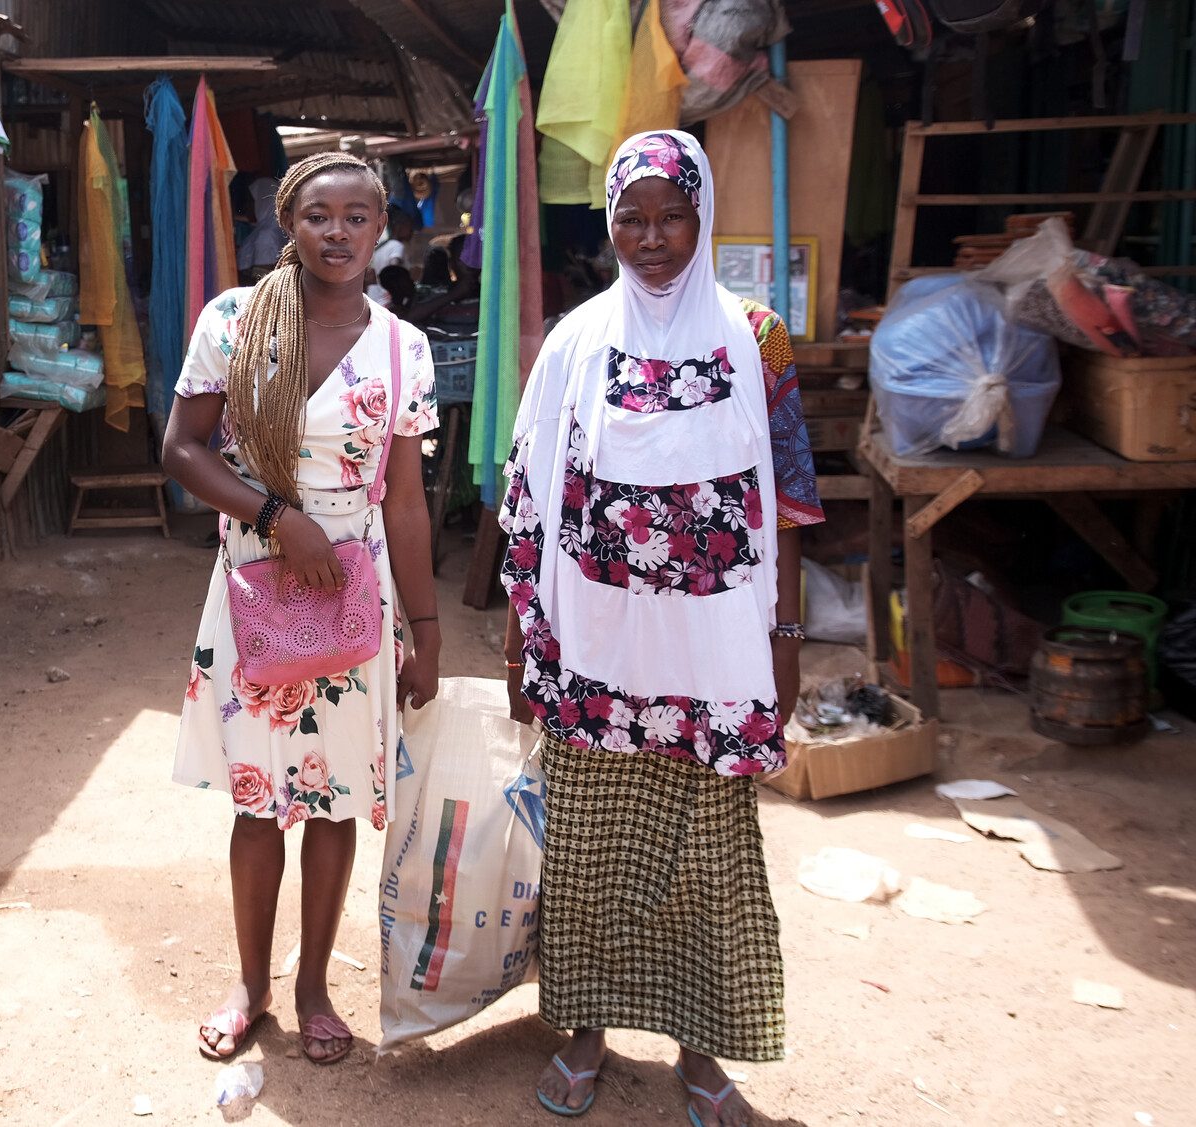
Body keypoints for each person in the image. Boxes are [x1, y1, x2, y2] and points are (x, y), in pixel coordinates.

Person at [497, 131, 822, 1126]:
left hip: (717, 651)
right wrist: (521, 637)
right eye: (628, 218)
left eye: (669, 215)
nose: (649, 237)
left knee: (708, 857)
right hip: (595, 646)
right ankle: (584, 1030)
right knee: (589, 853)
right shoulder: (575, 339)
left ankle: (698, 1048)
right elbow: (527, 491)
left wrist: (785, 633)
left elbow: (790, 496)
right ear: (606, 225)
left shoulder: (754, 334)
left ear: (700, 214)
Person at [164, 151, 441, 1068]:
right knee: (255, 803)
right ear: (291, 221)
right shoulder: (235, 320)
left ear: (379, 227)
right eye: (320, 214)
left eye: (358, 216)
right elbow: (182, 447)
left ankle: (316, 984)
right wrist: (277, 518)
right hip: (256, 584)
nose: (338, 232)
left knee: (332, 803)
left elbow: (405, 500)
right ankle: (251, 983)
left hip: (356, 600)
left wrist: (425, 633)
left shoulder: (403, 347)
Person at [238, 176, 286, 284]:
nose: (246, 206)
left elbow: (261, 278)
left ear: (263, 202)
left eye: (250, 201)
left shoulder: (266, 235)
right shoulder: (273, 229)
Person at [365, 206, 414, 304]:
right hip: (388, 300)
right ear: (400, 226)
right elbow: (394, 268)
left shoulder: (381, 247)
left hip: (374, 298)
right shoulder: (397, 246)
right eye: (410, 226)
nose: (412, 231)